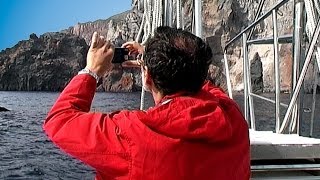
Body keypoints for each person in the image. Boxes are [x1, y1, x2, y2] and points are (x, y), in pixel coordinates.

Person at [44, 26, 250, 180]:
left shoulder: (132, 133)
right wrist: (151, 58)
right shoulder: (232, 115)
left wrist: (92, 71)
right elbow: (206, 85)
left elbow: (59, 120)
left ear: (147, 77)